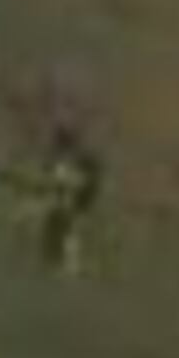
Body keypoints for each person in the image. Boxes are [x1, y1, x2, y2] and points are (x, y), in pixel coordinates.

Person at [35, 110, 104, 278]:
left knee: (68, 230)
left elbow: (86, 181)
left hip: (75, 201)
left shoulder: (81, 159)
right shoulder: (59, 159)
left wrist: (71, 191)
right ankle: (56, 263)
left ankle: (68, 265)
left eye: (60, 140)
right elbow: (52, 179)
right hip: (65, 200)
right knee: (56, 228)